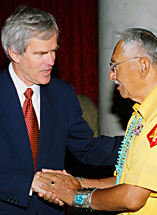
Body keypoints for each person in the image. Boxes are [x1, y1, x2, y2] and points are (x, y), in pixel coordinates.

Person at [0, 5, 123, 215]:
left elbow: (88, 148)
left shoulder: (62, 93)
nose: (52, 61)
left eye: (53, 50)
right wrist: (31, 182)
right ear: (14, 53)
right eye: (41, 53)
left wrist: (138, 143)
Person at [34, 28, 157, 215]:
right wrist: (76, 183)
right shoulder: (140, 114)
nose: (111, 76)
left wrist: (76, 197)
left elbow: (132, 197)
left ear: (143, 66)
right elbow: (126, 180)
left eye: (115, 66)